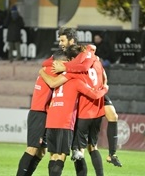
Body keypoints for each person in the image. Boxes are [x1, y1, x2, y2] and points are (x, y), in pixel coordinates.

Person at [47, 28, 122, 167]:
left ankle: (112, 154)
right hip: (78, 96)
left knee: (113, 116)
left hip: (92, 90)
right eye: (59, 40)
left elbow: (86, 64)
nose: (60, 43)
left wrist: (66, 67)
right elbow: (48, 64)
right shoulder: (60, 55)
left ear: (72, 40)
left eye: (62, 40)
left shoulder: (82, 52)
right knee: (81, 147)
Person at [39, 44, 108, 176]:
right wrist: (105, 87)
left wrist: (42, 71)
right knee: (63, 157)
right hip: (66, 122)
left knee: (53, 156)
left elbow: (52, 82)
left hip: (51, 120)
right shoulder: (76, 78)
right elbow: (94, 94)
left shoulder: (54, 75)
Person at [16, 50, 61, 176]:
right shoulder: (51, 70)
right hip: (39, 112)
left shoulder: (47, 67)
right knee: (32, 148)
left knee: (41, 152)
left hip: (46, 113)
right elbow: (55, 82)